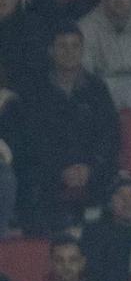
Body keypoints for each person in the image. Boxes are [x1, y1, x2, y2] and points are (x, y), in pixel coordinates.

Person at [18, 24, 121, 230]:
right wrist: (59, 170)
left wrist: (89, 168)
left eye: (75, 46)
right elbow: (31, 139)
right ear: (51, 50)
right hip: (48, 172)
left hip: (92, 170)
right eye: (62, 46)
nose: (69, 52)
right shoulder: (34, 90)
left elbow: (109, 134)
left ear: (83, 50)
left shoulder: (97, 89)